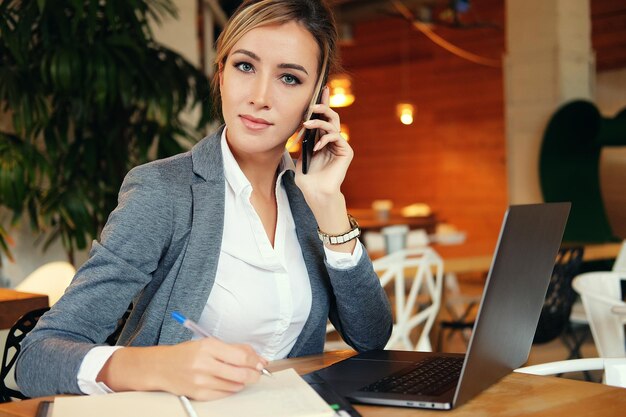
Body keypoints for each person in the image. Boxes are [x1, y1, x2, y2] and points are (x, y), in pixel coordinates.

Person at [15, 0, 392, 401]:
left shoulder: (308, 200)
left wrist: (330, 207)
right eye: (245, 66)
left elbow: (370, 337)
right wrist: (159, 366)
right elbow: (37, 357)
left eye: (289, 78)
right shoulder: (164, 190)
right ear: (222, 76)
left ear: (317, 99)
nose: (260, 97)